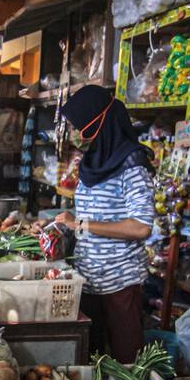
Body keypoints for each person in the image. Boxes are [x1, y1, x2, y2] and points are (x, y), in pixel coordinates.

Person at [55, 85, 156, 363]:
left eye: (77, 127)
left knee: (127, 362)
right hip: (88, 280)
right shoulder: (93, 160)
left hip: (121, 281)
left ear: (97, 122)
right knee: (91, 358)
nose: (74, 134)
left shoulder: (134, 165)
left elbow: (141, 227)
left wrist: (82, 225)